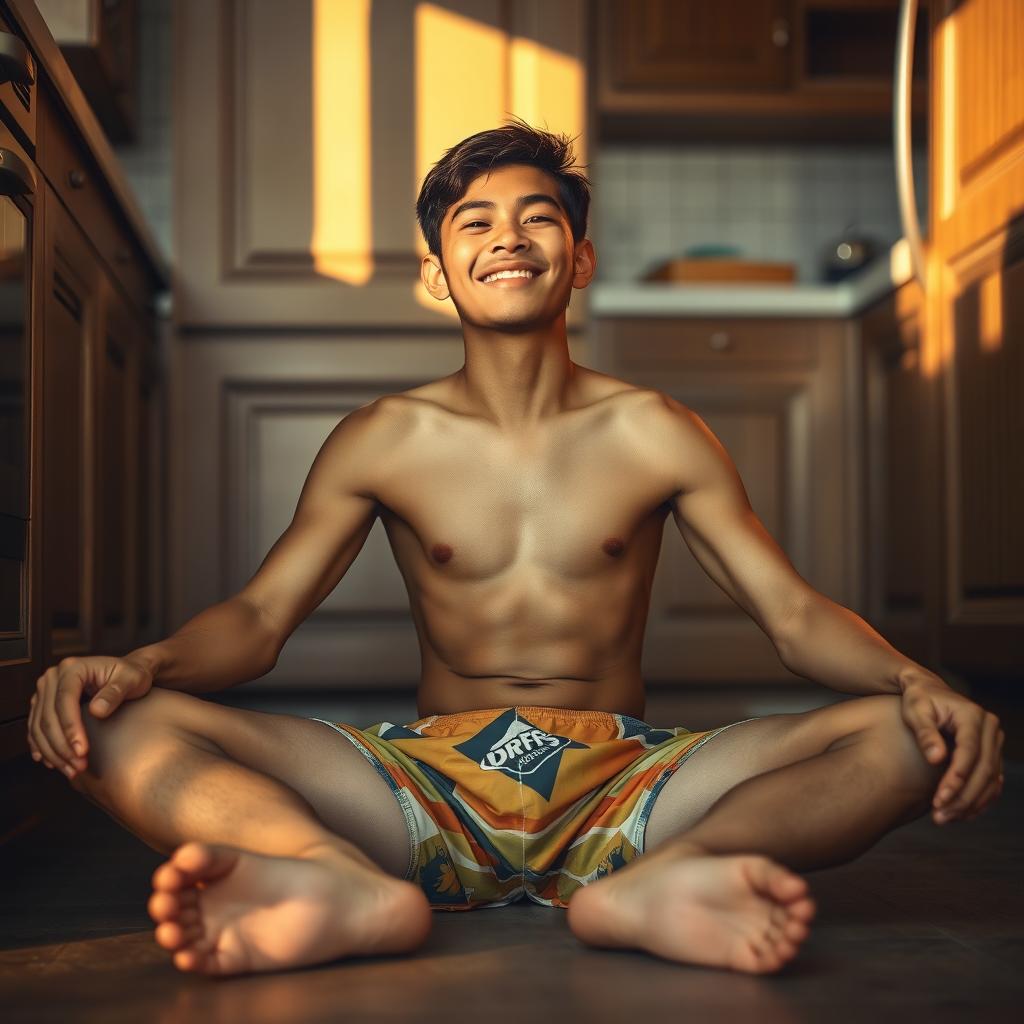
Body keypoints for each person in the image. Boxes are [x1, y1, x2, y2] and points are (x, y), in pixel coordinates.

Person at [27, 118, 1005, 978]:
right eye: (474, 222)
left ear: (577, 258)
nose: (507, 236)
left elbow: (790, 616)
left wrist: (915, 677)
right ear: (434, 273)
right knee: (110, 721)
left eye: (538, 216)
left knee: (906, 732)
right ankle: (335, 884)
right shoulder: (383, 437)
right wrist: (143, 663)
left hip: (627, 781)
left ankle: (666, 879)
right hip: (424, 782)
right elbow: (258, 619)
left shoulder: (656, 430)